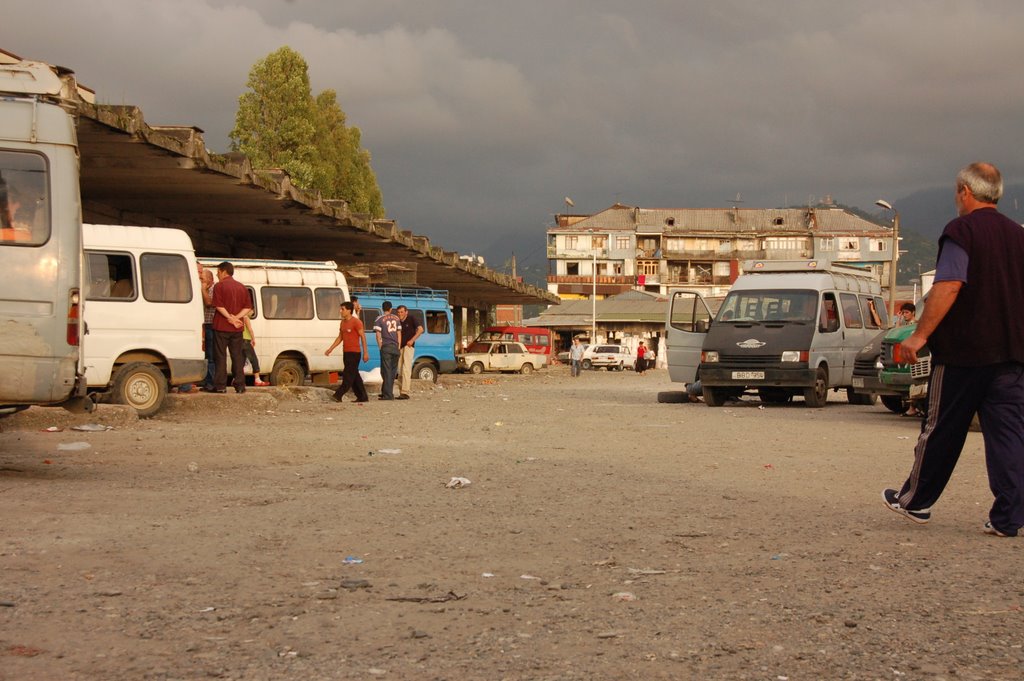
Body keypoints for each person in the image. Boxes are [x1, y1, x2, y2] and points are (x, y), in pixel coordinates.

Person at [882, 162, 1024, 538]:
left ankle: (915, 501)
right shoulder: (1017, 235)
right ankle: (1009, 517)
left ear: (965, 191)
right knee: (1009, 435)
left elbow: (948, 285)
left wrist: (919, 336)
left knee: (941, 427)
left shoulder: (961, 230)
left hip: (964, 352)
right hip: (1012, 354)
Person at [211, 261, 252, 394]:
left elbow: (218, 305)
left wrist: (230, 318)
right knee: (237, 356)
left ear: (223, 271)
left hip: (221, 327)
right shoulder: (242, 287)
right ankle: (240, 385)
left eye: (218, 272)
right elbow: (247, 307)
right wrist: (236, 318)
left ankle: (221, 386)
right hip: (237, 329)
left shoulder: (219, 286)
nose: (217, 275)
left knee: (220, 356)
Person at [325, 301, 369, 403]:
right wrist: (331, 348)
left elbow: (362, 337)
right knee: (354, 375)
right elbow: (340, 337)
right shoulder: (343, 322)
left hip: (354, 353)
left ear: (349, 310)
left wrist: (366, 352)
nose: (341, 311)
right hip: (346, 352)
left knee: (348, 374)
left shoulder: (356, 322)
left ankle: (338, 394)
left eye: (343, 309)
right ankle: (362, 396)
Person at [373, 301, 401, 400]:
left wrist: (380, 346)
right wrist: (399, 346)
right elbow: (399, 333)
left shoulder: (379, 319)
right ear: (391, 309)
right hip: (395, 347)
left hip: (386, 346)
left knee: (386, 371)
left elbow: (378, 334)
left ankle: (388, 395)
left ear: (382, 308)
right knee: (392, 372)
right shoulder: (396, 318)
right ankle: (386, 391)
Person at [396, 304, 424, 399]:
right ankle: (401, 392)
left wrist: (412, 340)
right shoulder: (397, 321)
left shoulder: (411, 318)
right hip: (399, 347)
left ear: (406, 312)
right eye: (398, 312)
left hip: (408, 346)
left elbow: (420, 329)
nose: (400, 314)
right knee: (399, 370)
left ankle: (405, 392)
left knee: (406, 369)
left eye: (402, 312)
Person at [241, 314, 269, 386]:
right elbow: (250, 329)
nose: (252, 312)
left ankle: (236, 379)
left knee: (241, 361)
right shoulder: (245, 317)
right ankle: (257, 379)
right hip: (246, 341)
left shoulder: (238, 317)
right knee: (254, 360)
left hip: (239, 341)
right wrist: (253, 339)